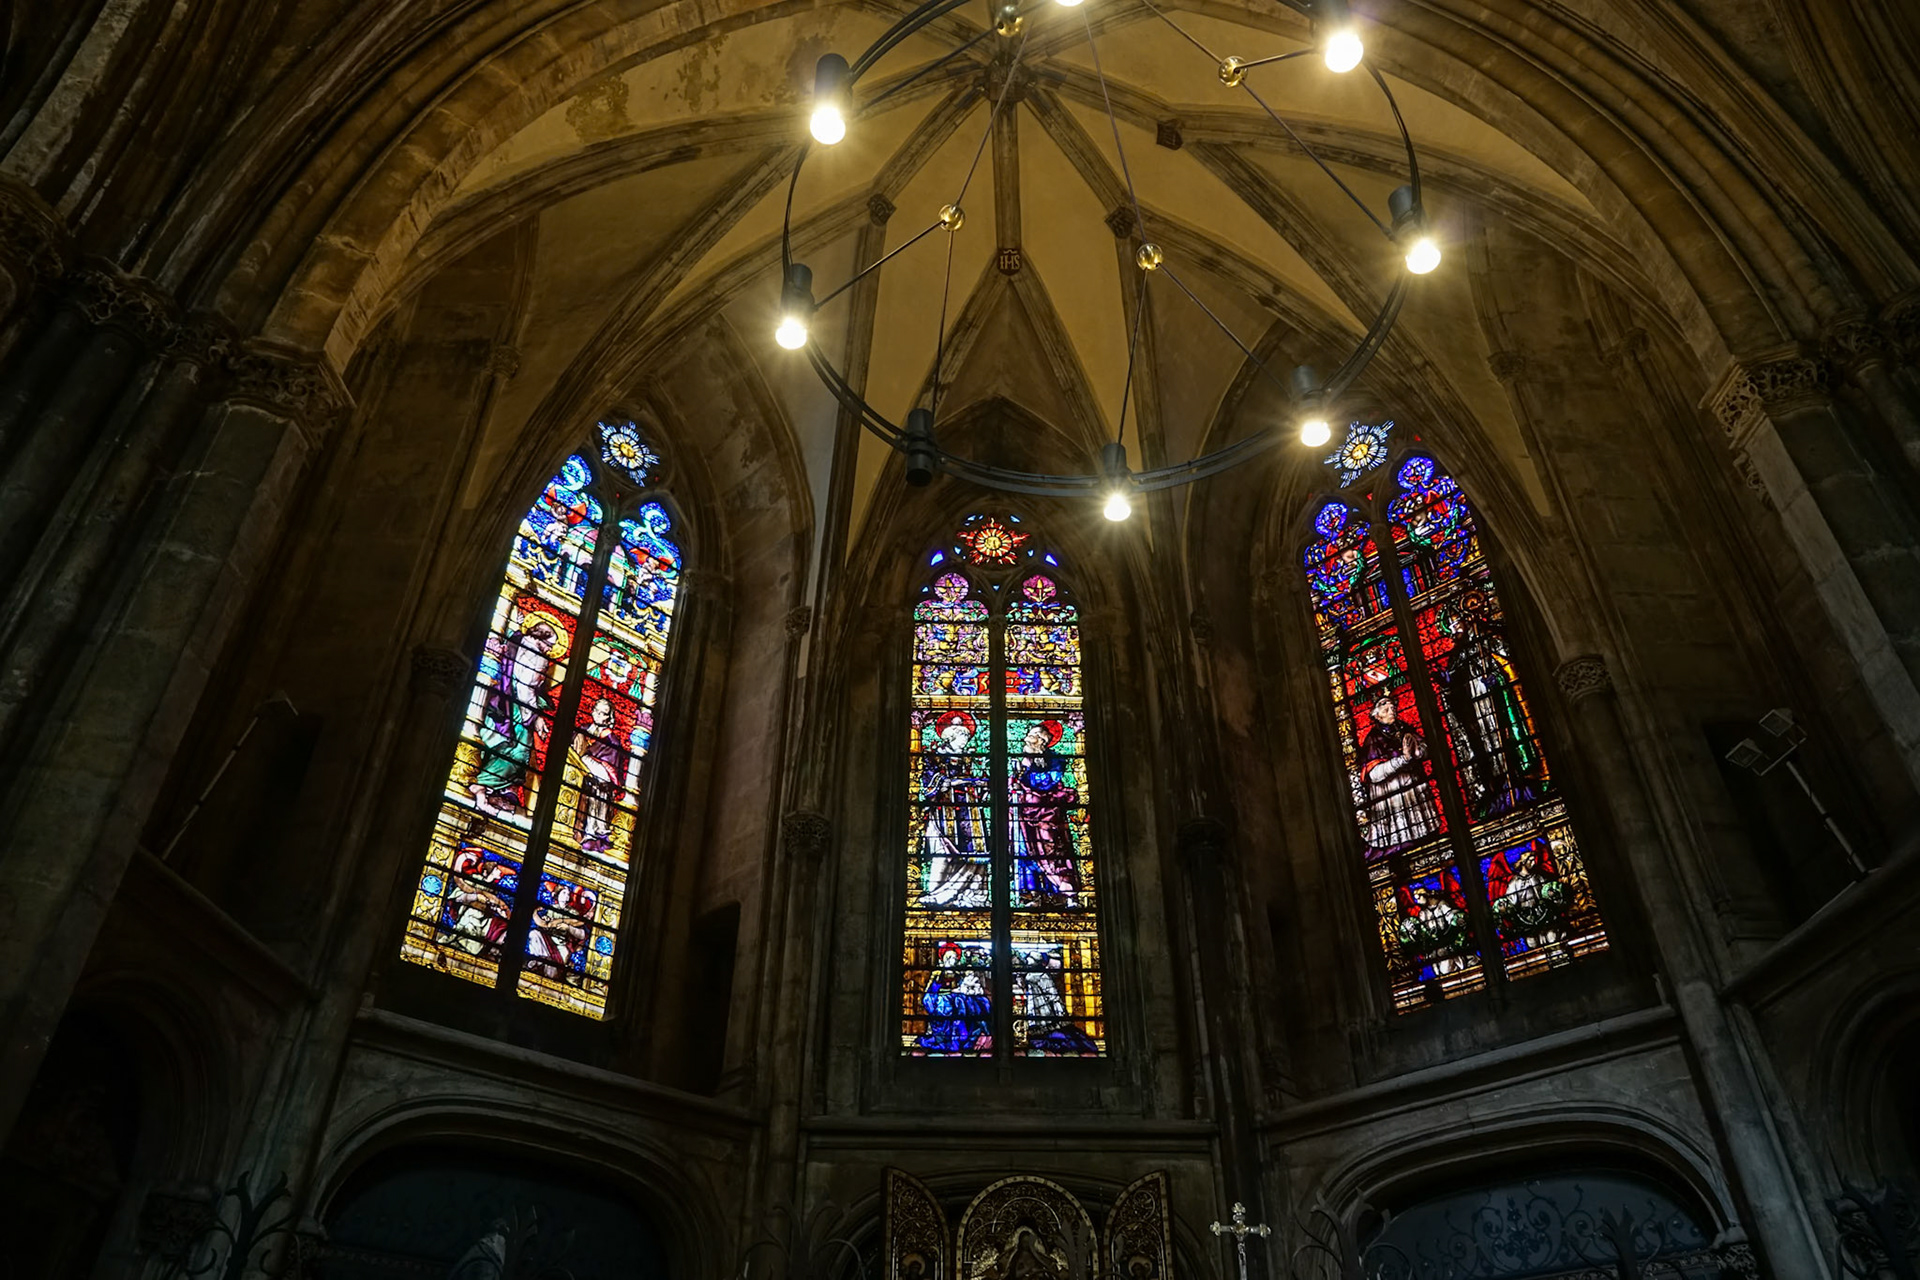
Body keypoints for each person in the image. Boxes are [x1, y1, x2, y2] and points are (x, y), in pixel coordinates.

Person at [472, 618, 561, 818]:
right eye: (549, 645)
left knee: (496, 747)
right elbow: (525, 689)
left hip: (498, 705)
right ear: (541, 639)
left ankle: (493, 793)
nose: (549, 650)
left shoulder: (517, 640)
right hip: (517, 714)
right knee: (517, 754)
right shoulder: (537, 656)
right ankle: (482, 787)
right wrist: (534, 717)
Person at [919, 709, 991, 908]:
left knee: (976, 853)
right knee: (943, 851)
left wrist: (983, 789)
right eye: (962, 736)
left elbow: (983, 780)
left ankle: (973, 896)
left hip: (970, 810)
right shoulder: (936, 757)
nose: (965, 740)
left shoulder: (970, 759)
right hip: (945, 811)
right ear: (951, 736)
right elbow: (931, 784)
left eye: (967, 736)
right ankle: (936, 893)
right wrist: (953, 782)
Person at [1358, 697, 1442, 854]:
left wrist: (1417, 752)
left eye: (1393, 709)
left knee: (1424, 834)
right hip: (1390, 793)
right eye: (1386, 710)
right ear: (1377, 716)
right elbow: (1374, 774)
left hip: (1413, 788)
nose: (1392, 712)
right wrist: (1402, 760)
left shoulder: (1404, 729)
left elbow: (1425, 747)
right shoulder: (1372, 739)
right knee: (1401, 840)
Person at [1010, 719, 1078, 908]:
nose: (1026, 739)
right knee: (1024, 852)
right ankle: (1030, 895)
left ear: (1041, 741)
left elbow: (1048, 781)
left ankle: (1061, 894)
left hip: (1047, 814)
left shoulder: (1055, 760)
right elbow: (1014, 782)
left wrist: (1027, 773)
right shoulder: (1021, 759)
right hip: (1025, 815)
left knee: (1050, 852)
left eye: (1031, 736)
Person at [568, 697, 623, 851]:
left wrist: (588, 754)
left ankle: (594, 831)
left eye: (603, 713)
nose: (599, 715)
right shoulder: (584, 729)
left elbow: (611, 764)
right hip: (581, 766)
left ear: (609, 718)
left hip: (601, 773)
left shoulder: (612, 739)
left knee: (599, 786)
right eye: (597, 711)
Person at [916, 942, 992, 1053]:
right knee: (953, 1002)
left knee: (976, 1001)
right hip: (942, 1003)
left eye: (955, 958)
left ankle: (976, 1033)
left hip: (958, 1003)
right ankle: (951, 1038)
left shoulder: (958, 975)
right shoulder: (938, 974)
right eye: (950, 957)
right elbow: (929, 994)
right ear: (944, 959)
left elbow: (963, 988)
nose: (954, 960)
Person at [1020, 950, 1099, 1055]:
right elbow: (1052, 995)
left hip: (1034, 1010)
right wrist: (1060, 1012)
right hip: (1046, 1010)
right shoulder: (1043, 976)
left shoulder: (1028, 977)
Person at [1397, 880, 1470, 979]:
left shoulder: (1442, 905)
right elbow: (1423, 933)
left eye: (1419, 897)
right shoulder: (1422, 914)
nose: (1417, 901)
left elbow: (1451, 916)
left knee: (1446, 971)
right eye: (1415, 899)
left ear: (1426, 894)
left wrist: (1456, 919)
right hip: (1433, 951)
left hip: (1447, 946)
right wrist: (1412, 931)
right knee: (1438, 972)